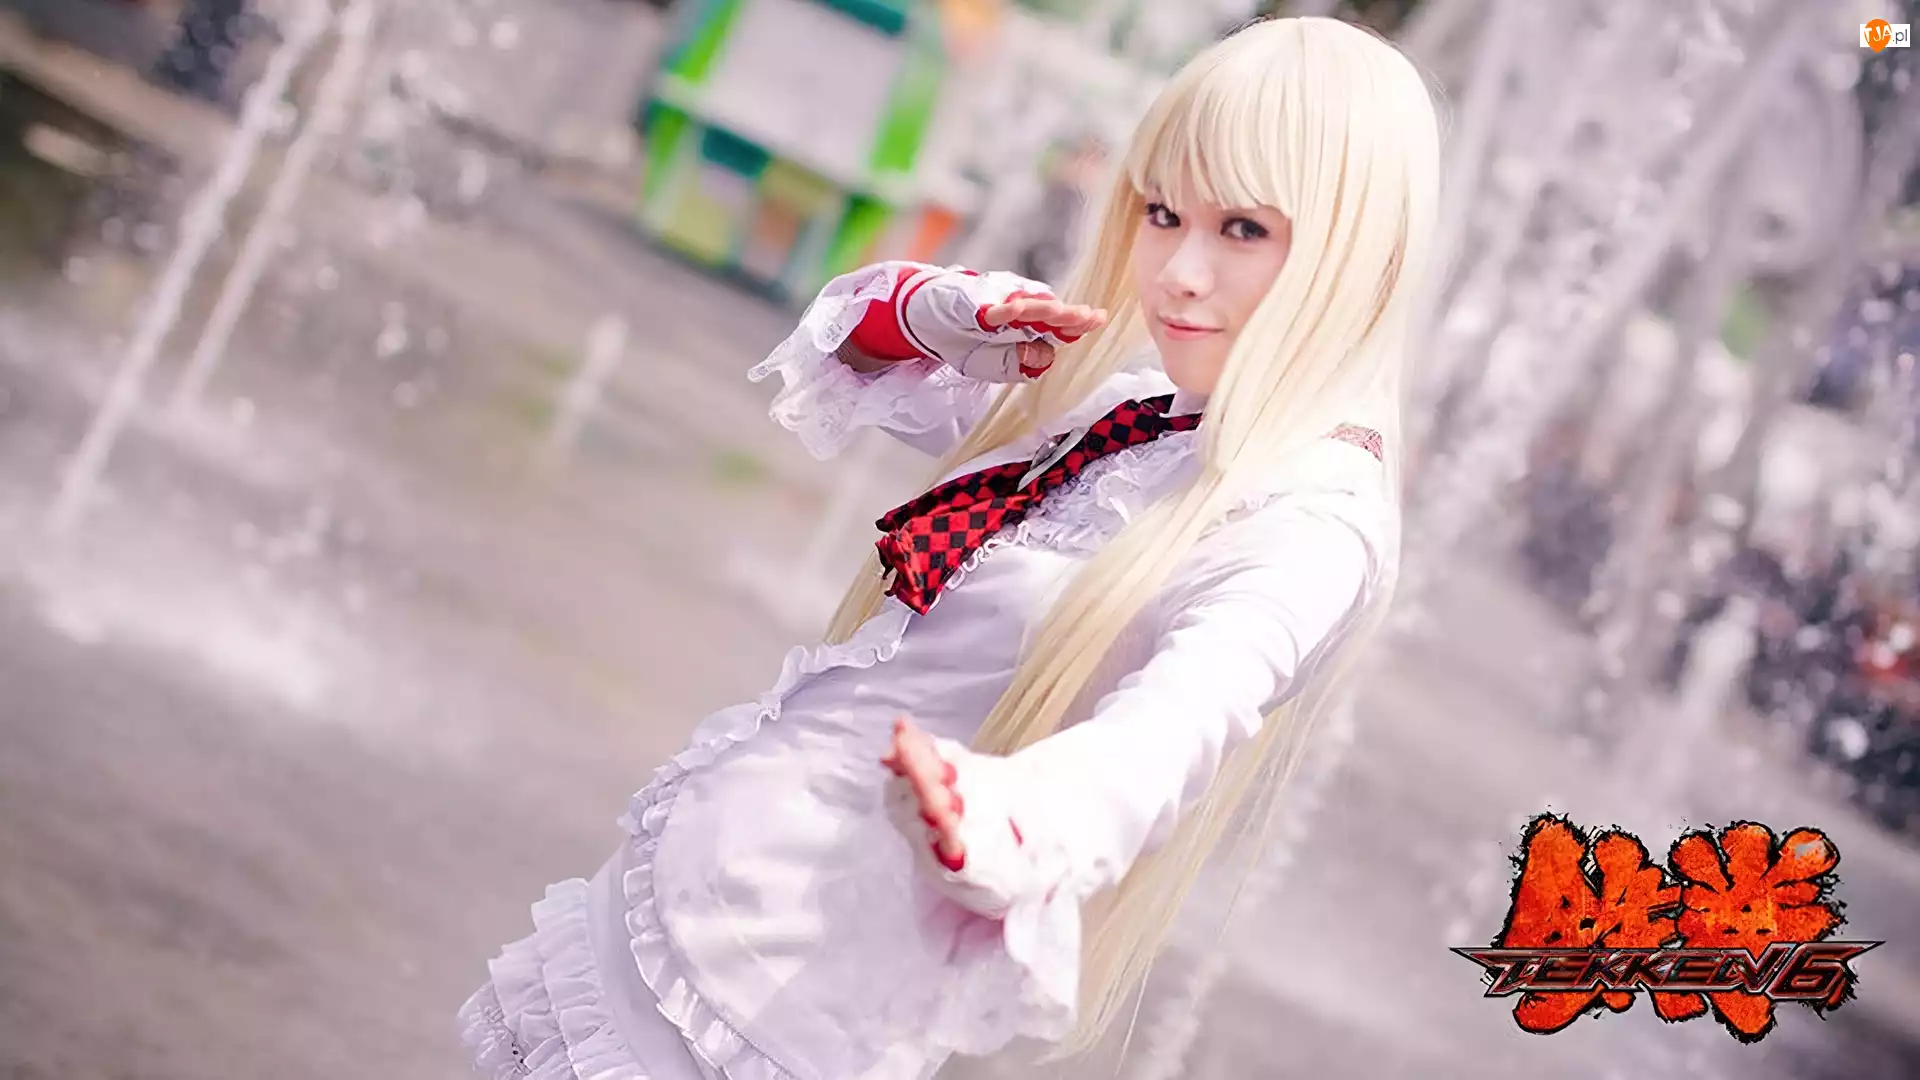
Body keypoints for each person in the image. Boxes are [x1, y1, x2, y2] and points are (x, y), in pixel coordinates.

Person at [459, 16, 1438, 1079]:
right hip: (685, 901)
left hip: (779, 1005)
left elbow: (1171, 733)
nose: (1178, 274)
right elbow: (852, 350)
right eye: (1162, 213)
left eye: (1243, 229)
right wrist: (932, 313)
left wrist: (1012, 821)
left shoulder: (1311, 522)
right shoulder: (1137, 408)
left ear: (1362, 250)